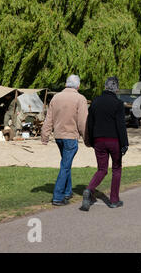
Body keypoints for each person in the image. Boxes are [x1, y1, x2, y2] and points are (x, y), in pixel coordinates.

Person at [80, 76, 129, 211]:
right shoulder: (118, 103)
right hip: (114, 141)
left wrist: (89, 140)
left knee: (102, 169)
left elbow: (89, 123)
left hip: (99, 140)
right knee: (116, 169)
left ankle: (89, 190)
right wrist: (125, 143)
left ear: (105, 86)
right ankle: (114, 200)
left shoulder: (95, 102)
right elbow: (121, 125)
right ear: (116, 88)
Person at [41, 75, 89, 206]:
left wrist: (44, 136)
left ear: (66, 84)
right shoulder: (80, 99)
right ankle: (58, 196)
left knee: (65, 164)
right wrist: (87, 138)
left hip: (58, 136)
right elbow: (83, 121)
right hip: (70, 136)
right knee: (65, 166)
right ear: (78, 86)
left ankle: (67, 191)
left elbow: (48, 118)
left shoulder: (56, 98)